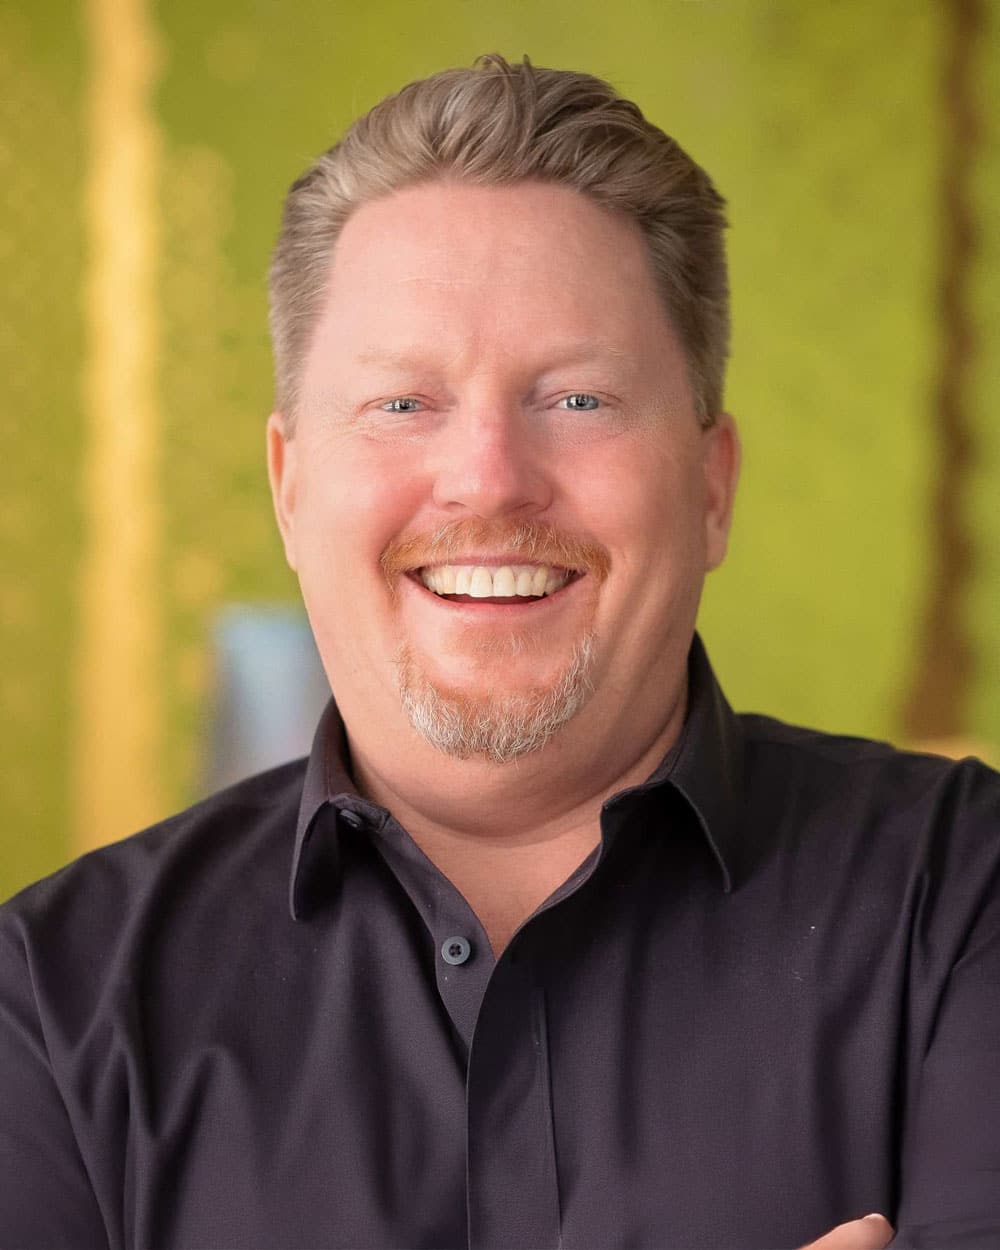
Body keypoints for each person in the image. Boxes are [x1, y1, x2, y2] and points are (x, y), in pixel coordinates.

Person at [1, 54, 997, 1250]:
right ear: (291, 484)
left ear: (713, 483)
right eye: (402, 403)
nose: (486, 477)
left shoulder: (966, 897)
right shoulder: (47, 1006)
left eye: (575, 399)